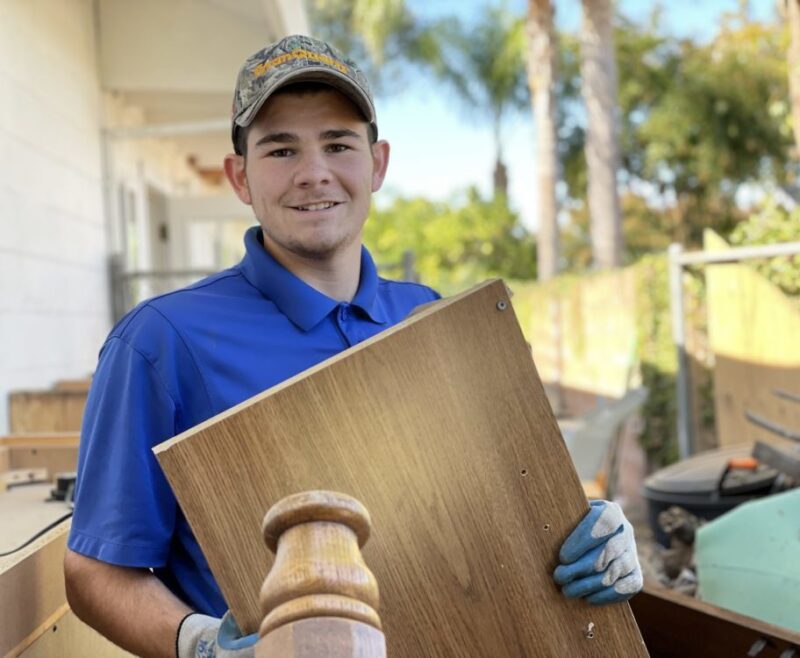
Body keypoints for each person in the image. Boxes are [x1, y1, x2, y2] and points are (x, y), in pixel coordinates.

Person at [63, 35, 642, 658]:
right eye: (281, 149)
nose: (314, 173)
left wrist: (590, 536)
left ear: (378, 164)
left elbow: (492, 509)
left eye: (338, 144)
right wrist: (198, 645)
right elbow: (95, 572)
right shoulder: (160, 343)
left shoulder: (429, 317)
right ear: (239, 176)